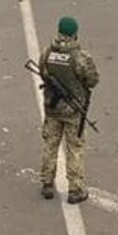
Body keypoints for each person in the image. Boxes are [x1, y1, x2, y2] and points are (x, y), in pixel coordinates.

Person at [37, 16, 100, 203]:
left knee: (50, 144)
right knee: (75, 148)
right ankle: (75, 189)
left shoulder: (47, 52)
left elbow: (42, 71)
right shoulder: (80, 56)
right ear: (74, 34)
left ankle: (47, 182)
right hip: (73, 110)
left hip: (52, 107)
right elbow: (92, 80)